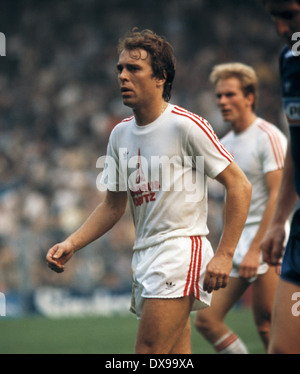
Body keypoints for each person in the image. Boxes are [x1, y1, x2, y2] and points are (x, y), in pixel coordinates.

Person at [46, 29, 252, 354]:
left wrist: (225, 254)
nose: (123, 76)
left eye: (134, 69)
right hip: (144, 257)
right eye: (120, 69)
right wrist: (73, 242)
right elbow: (113, 206)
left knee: (148, 354)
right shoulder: (119, 135)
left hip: (180, 252)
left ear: (161, 77)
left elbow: (239, 184)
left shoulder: (185, 125)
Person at [194, 62, 287, 353]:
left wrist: (257, 247)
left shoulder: (268, 136)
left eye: (230, 94)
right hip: (239, 246)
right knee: (206, 320)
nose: (222, 101)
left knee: (267, 325)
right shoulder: (223, 143)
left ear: (250, 97)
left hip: (269, 242)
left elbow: (278, 194)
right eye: (219, 96)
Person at [259, 0, 300, 354]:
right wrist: (279, 220)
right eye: (274, 18)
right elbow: (299, 146)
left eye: (289, 15)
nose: (281, 30)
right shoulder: (290, 61)